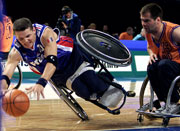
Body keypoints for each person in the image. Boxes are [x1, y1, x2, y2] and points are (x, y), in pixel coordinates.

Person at [0, 17, 123, 108]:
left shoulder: (45, 34)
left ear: (33, 30)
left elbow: (52, 60)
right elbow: (7, 73)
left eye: (28, 36)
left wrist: (41, 82)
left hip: (71, 58)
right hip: (58, 74)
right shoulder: (16, 51)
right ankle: (93, 90)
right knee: (84, 92)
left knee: (94, 83)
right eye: (21, 38)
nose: (26, 41)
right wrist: (2, 89)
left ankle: (107, 79)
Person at [140, 3, 180, 114]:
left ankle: (173, 102)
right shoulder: (149, 33)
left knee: (163, 65)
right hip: (167, 65)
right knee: (152, 66)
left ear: (157, 19)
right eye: (142, 20)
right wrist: (152, 53)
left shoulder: (174, 31)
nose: (143, 24)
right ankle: (163, 101)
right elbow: (149, 47)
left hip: (176, 65)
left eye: (147, 21)